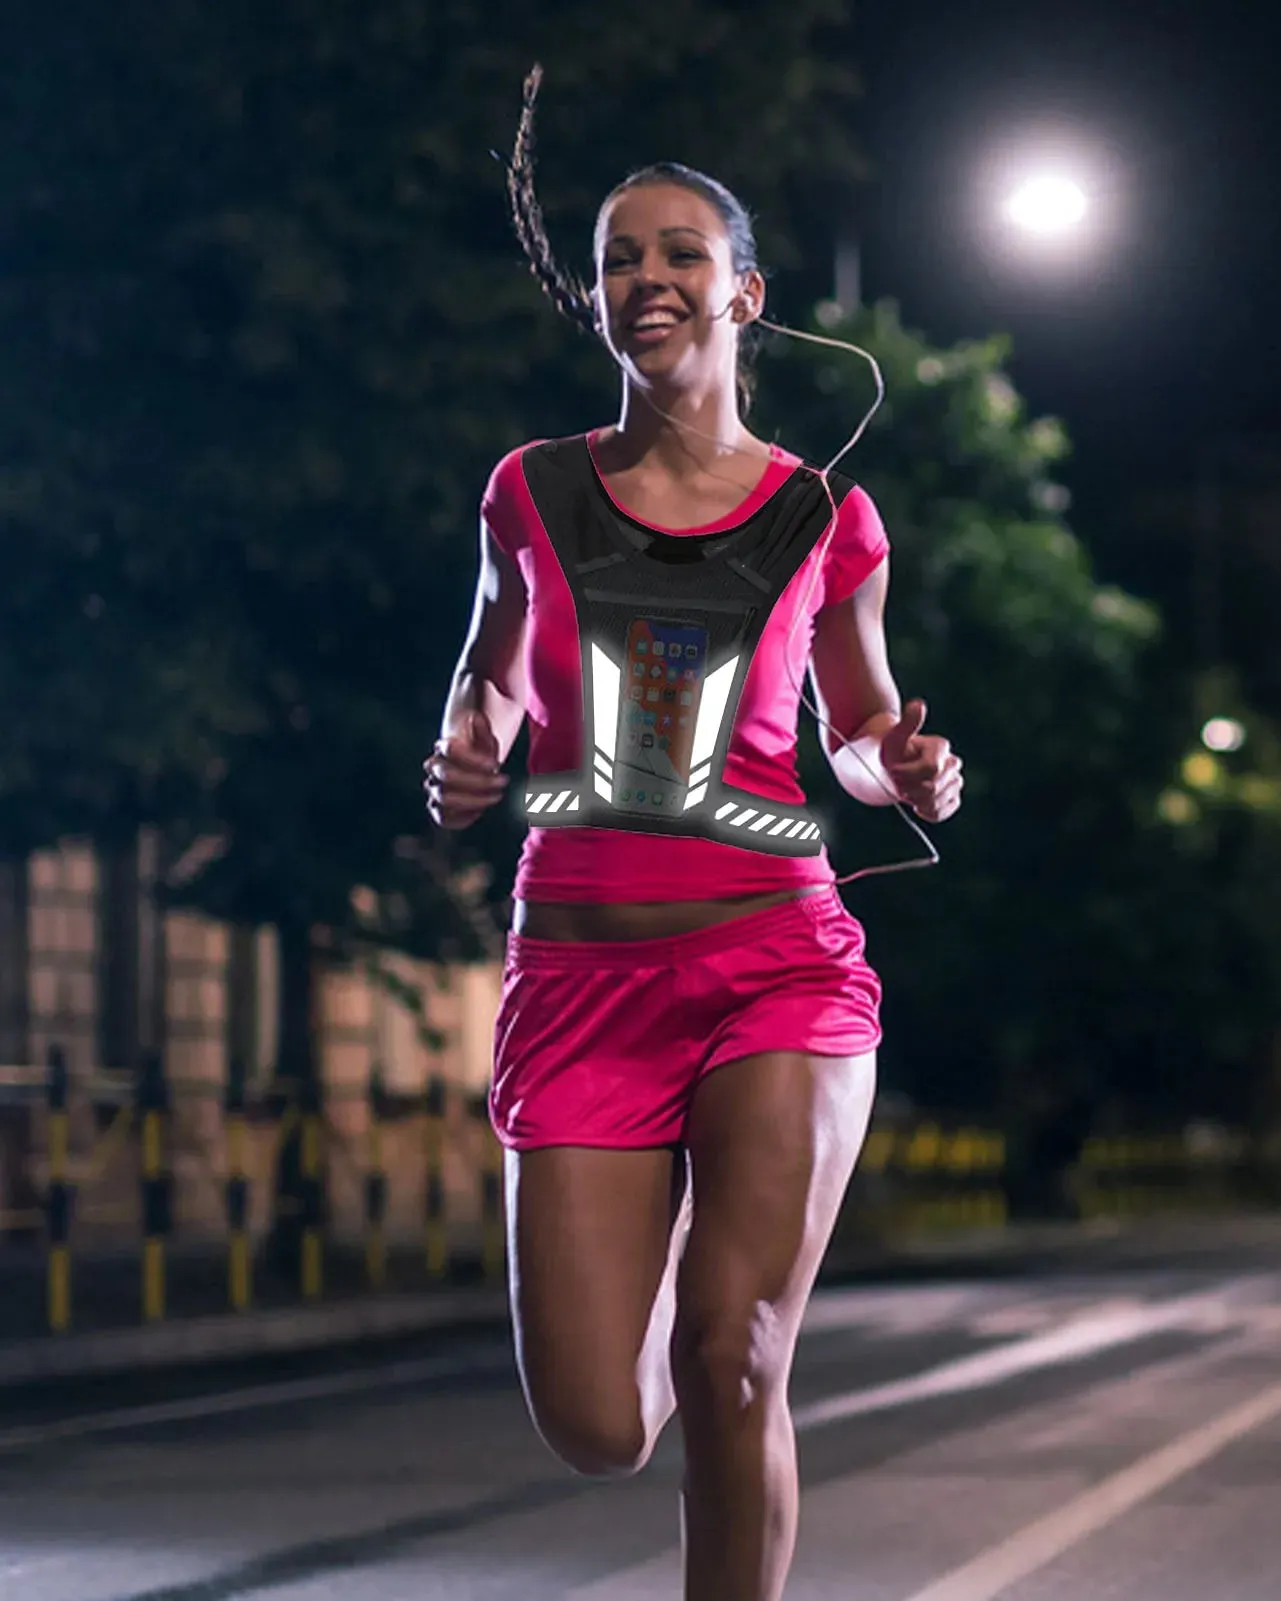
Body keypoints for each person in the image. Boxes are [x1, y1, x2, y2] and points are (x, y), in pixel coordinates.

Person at [422, 65, 963, 1601]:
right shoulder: (527, 492)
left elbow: (859, 734)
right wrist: (462, 757)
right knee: (602, 1422)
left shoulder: (824, 515)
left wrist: (906, 772)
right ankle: (679, 1262)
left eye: (676, 254)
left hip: (772, 962)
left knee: (737, 1359)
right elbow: (484, 692)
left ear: (744, 290)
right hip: (578, 970)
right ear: (593, 297)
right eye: (616, 258)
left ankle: (726, 1302)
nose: (644, 279)